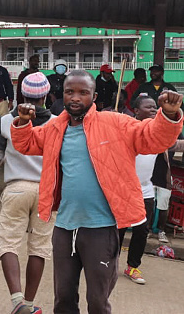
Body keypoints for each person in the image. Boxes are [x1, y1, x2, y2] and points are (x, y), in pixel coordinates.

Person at [11, 69, 183, 313]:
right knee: (63, 300)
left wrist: (168, 114)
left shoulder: (116, 123)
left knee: (98, 302)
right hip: (64, 228)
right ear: (62, 94)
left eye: (83, 92)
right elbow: (26, 143)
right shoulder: (54, 128)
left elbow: (153, 137)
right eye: (70, 92)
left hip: (101, 228)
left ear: (94, 96)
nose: (75, 98)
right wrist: (23, 123)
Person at [0, 72, 54, 314]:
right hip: (46, 191)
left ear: (21, 94)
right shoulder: (57, 122)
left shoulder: (4, 121)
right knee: (39, 247)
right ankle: (30, 302)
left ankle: (17, 302)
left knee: (8, 243)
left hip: (16, 188)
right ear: (46, 95)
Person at [118, 95, 159, 285]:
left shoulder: (158, 132)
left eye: (155, 107)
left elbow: (175, 142)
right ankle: (109, 264)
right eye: (148, 107)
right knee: (117, 230)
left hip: (146, 191)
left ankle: (132, 266)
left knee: (142, 231)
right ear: (135, 111)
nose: (153, 109)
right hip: (122, 190)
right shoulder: (125, 129)